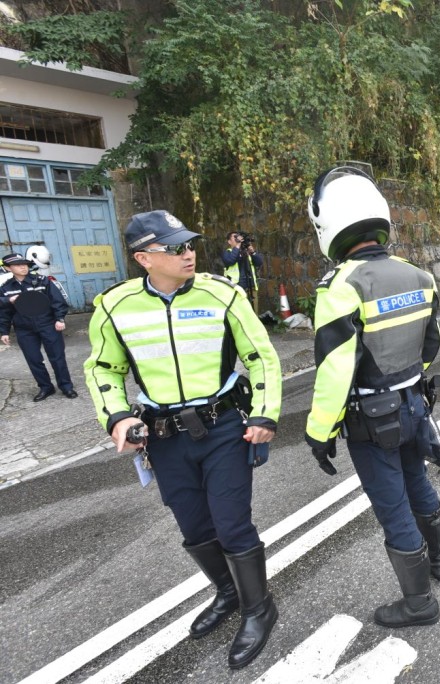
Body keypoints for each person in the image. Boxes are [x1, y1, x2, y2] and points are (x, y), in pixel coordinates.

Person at [83, 210, 282, 670]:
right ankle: (229, 592)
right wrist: (115, 418)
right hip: (163, 435)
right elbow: (102, 369)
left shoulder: (223, 294)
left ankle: (259, 608)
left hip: (224, 427)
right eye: (173, 248)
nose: (187, 253)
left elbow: (263, 358)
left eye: (189, 244)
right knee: (193, 526)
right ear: (143, 259)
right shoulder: (114, 306)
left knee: (232, 523)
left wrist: (266, 414)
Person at [303, 166, 440, 629]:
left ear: (330, 227)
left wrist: (318, 433)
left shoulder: (340, 287)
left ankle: (420, 604)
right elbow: (432, 345)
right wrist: (408, 380)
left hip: (372, 420)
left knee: (392, 505)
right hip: (413, 406)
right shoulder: (420, 276)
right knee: (418, 482)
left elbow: (334, 370)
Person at [0, 252, 77, 401]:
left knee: (57, 358)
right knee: (33, 359)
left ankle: (66, 386)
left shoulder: (42, 281)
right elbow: (5, 312)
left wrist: (60, 318)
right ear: (9, 268)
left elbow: (57, 300)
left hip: (48, 324)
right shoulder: (6, 288)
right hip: (24, 329)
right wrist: (4, 331)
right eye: (17, 265)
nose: (23, 267)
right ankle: (46, 387)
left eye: (25, 264)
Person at [221, 231, 263, 308]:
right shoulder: (227, 253)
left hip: (251, 287)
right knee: (241, 313)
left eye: (238, 237)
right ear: (229, 241)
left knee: (254, 312)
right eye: (235, 237)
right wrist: (237, 246)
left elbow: (259, 262)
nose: (238, 239)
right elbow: (230, 260)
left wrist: (253, 252)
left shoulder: (246, 251)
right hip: (237, 288)